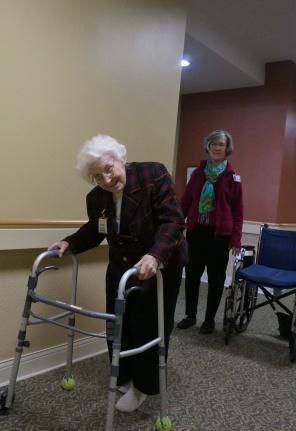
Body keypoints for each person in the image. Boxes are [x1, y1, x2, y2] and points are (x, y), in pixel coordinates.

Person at [48, 134, 188, 413]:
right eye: (97, 176)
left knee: (148, 326)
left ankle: (143, 387)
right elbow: (94, 230)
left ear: (120, 158)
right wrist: (69, 243)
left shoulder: (152, 174)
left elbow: (173, 221)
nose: (106, 180)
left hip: (159, 264)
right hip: (121, 268)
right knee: (117, 324)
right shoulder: (96, 197)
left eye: (108, 169)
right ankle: (123, 375)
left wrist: (154, 255)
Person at [176, 130, 243, 334]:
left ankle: (209, 320)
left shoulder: (233, 177)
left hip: (219, 236)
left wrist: (236, 240)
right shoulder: (198, 173)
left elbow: (238, 210)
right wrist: (176, 228)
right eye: (213, 143)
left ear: (226, 149)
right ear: (208, 146)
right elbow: (186, 201)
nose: (217, 147)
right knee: (192, 274)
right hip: (196, 232)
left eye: (221, 144)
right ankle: (190, 315)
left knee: (216, 279)